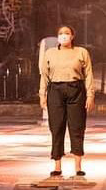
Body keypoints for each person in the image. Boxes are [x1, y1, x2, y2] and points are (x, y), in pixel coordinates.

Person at [39, 26, 94, 177]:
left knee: (77, 127)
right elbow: (44, 75)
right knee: (56, 127)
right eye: (61, 33)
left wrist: (90, 95)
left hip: (76, 89)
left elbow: (88, 74)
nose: (64, 36)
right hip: (55, 90)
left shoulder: (81, 52)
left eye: (67, 33)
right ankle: (57, 165)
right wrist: (42, 95)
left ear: (72, 36)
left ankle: (78, 166)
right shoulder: (50, 53)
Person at [37, 34, 60, 124]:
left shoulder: (44, 41)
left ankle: (47, 117)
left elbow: (42, 57)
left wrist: (41, 71)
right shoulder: (60, 40)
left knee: (46, 94)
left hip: (48, 70)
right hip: (58, 71)